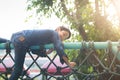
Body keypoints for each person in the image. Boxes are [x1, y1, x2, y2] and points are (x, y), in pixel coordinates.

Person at [8, 26, 76, 80]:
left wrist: (47, 52)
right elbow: (59, 47)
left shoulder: (46, 38)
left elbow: (34, 50)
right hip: (21, 39)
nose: (62, 38)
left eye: (64, 38)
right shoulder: (54, 33)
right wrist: (68, 63)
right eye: (64, 34)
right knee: (18, 70)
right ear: (58, 29)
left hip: (18, 37)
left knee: (18, 70)